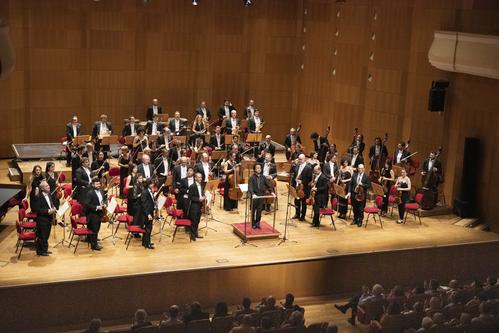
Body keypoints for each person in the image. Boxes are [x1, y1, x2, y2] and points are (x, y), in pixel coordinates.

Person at [31, 180, 58, 256]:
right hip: (42, 219)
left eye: (48, 185)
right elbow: (37, 209)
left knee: (46, 235)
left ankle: (44, 249)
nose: (49, 186)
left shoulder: (49, 194)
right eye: (46, 186)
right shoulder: (38, 197)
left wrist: (53, 207)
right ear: (42, 188)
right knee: (42, 236)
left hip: (48, 218)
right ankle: (40, 251)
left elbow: (50, 204)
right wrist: (48, 211)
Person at [83, 178, 107, 251]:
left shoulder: (101, 191)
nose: (98, 185)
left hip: (99, 213)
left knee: (96, 229)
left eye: (99, 184)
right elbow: (87, 204)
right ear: (93, 184)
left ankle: (93, 242)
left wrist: (105, 204)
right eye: (96, 184)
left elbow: (104, 199)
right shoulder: (90, 193)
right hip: (92, 214)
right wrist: (96, 207)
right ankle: (94, 245)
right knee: (94, 230)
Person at [248, 164, 273, 229]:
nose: (259, 169)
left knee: (259, 211)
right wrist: (253, 194)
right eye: (257, 168)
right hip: (254, 197)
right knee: (253, 211)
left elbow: (269, 185)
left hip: (261, 196)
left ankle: (257, 223)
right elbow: (250, 187)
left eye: (260, 168)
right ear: (254, 169)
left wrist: (272, 192)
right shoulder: (251, 177)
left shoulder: (263, 177)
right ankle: (253, 223)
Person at [291, 154, 312, 222]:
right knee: (296, 201)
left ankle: (302, 216)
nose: (299, 160)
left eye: (300, 159)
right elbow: (293, 174)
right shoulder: (296, 166)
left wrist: (302, 181)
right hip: (297, 187)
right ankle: (297, 214)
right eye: (298, 159)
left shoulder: (308, 168)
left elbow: (309, 179)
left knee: (303, 203)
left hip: (304, 188)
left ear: (304, 159)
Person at [138, 179, 155, 249]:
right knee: (148, 228)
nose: (153, 185)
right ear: (149, 184)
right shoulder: (145, 192)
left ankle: (145, 242)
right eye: (152, 183)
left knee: (148, 228)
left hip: (150, 211)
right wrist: (148, 214)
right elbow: (144, 204)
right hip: (146, 213)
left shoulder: (149, 191)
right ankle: (147, 244)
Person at [187, 172, 205, 241]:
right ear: (195, 178)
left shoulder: (201, 185)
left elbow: (201, 193)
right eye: (199, 177)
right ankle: (192, 235)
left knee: (197, 220)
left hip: (200, 205)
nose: (201, 178)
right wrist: (199, 199)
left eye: (201, 177)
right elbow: (190, 197)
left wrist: (204, 196)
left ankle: (196, 234)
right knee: (193, 221)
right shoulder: (192, 186)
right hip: (194, 206)